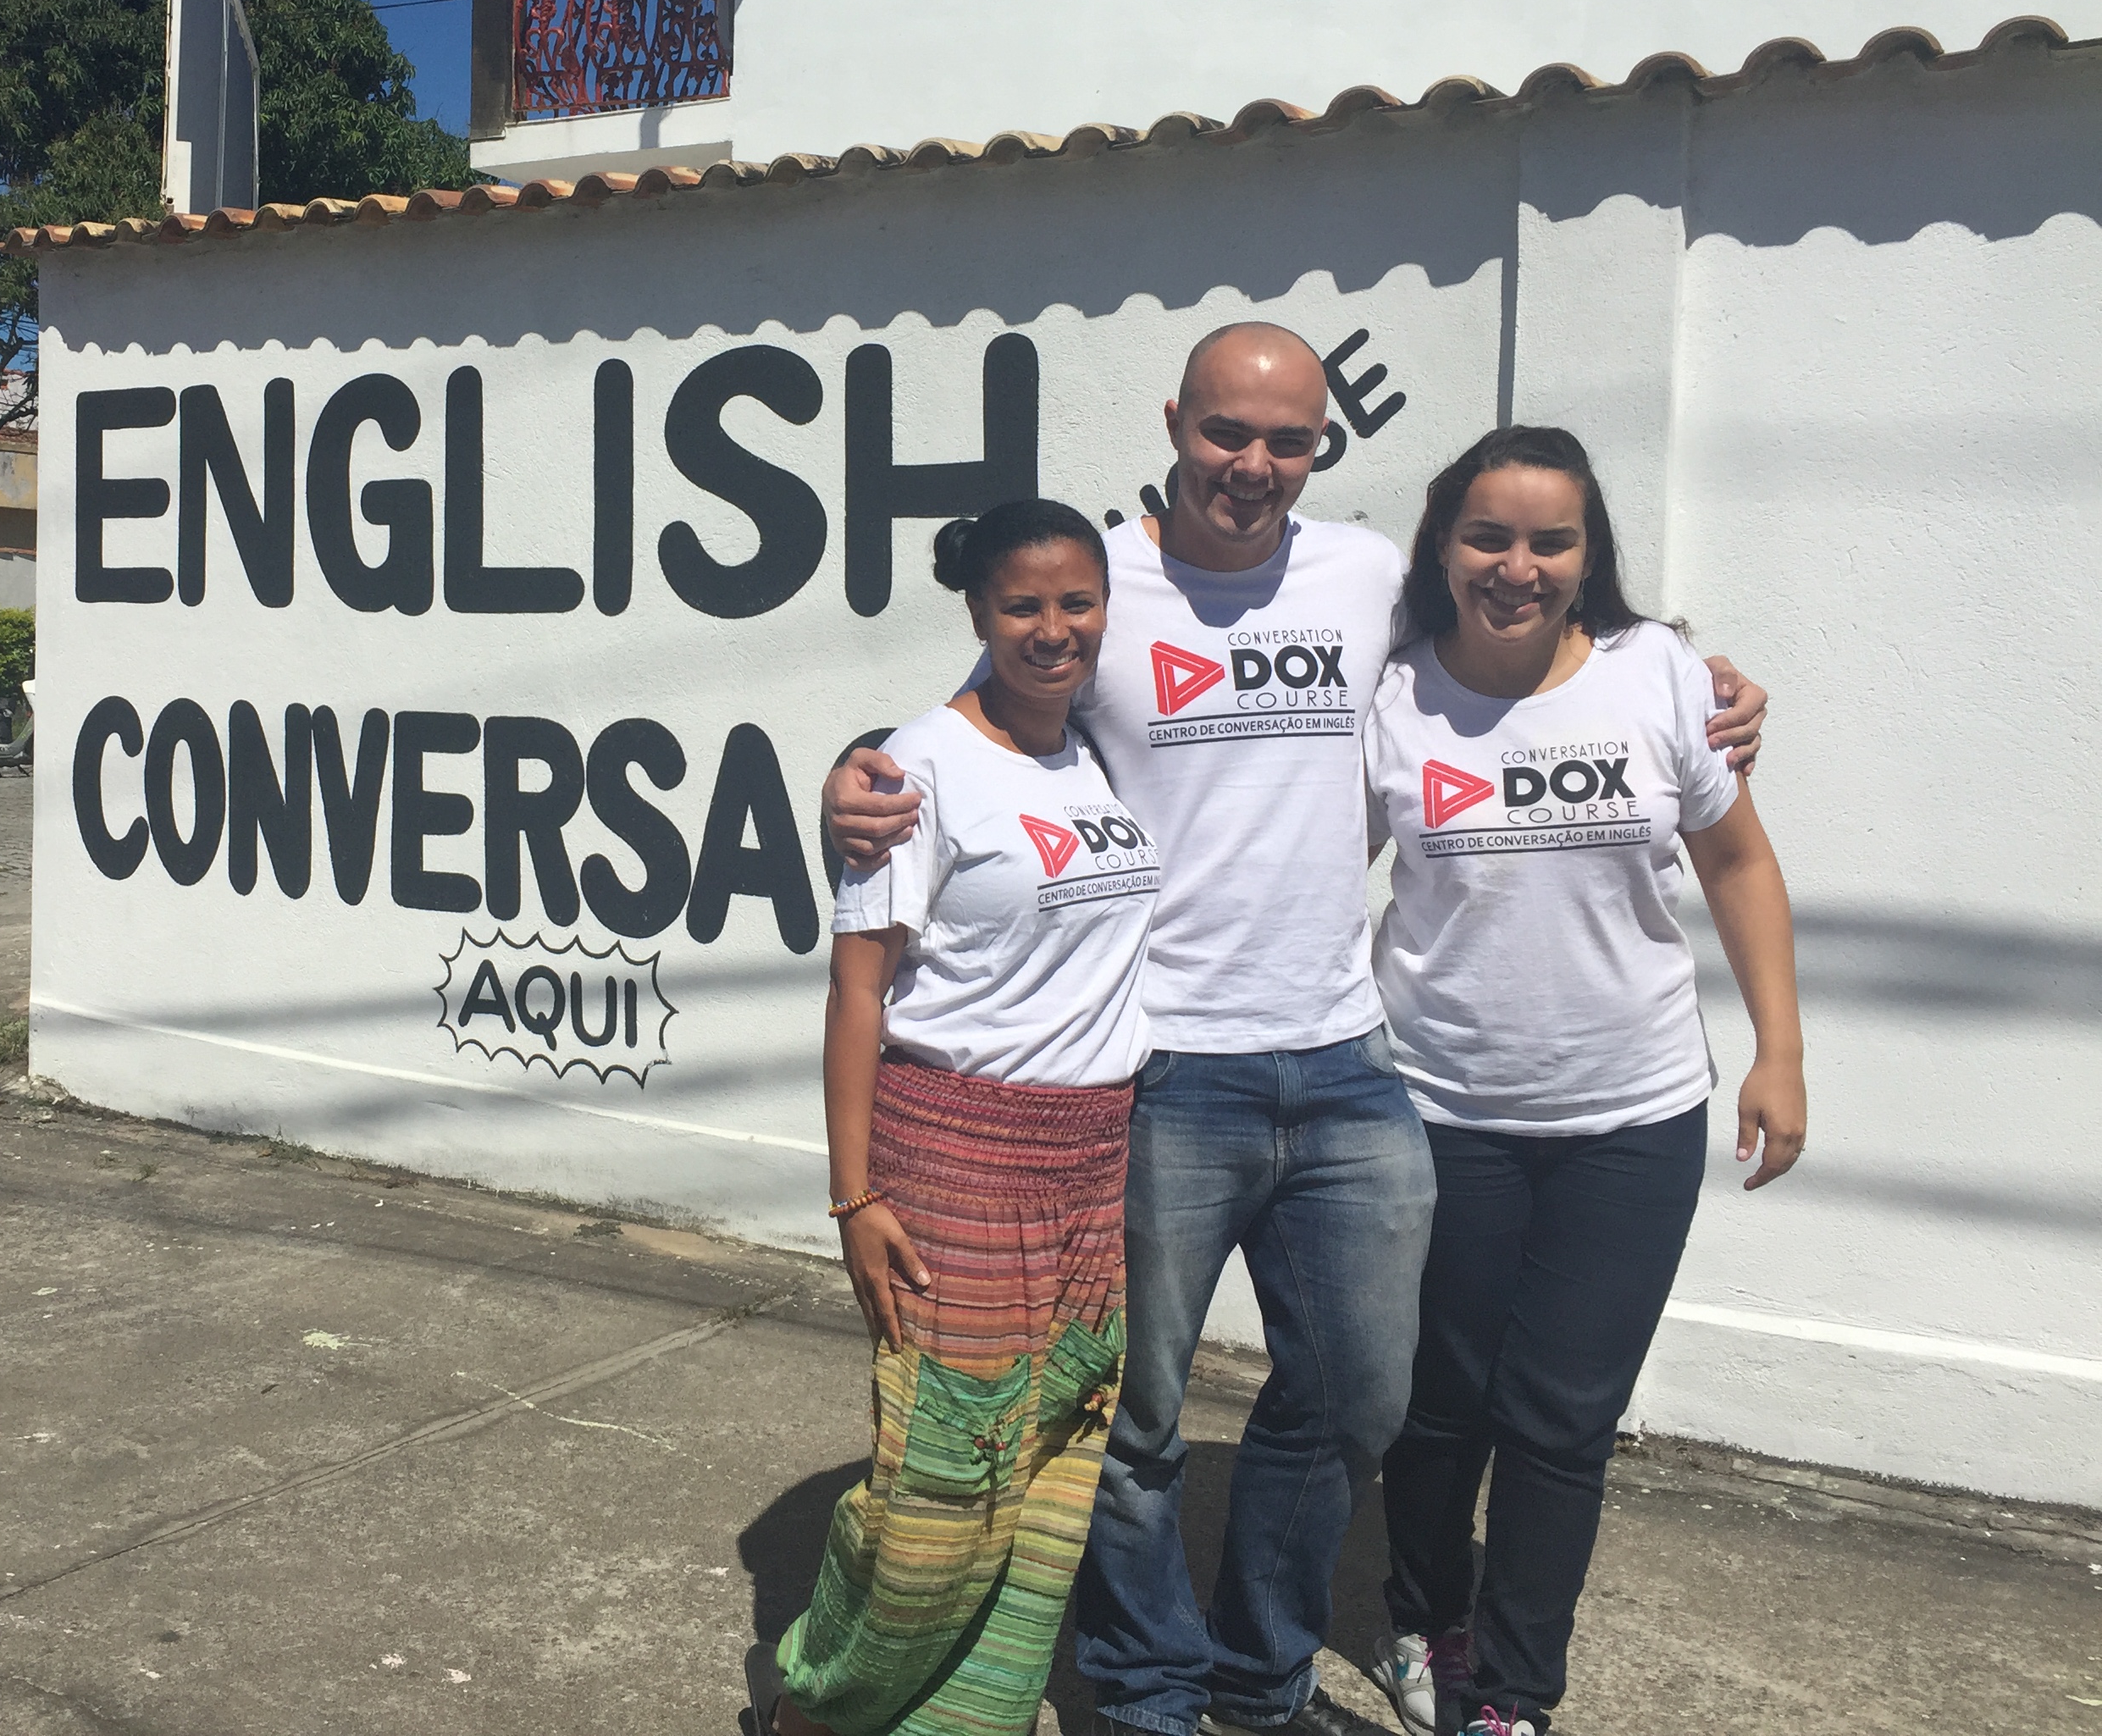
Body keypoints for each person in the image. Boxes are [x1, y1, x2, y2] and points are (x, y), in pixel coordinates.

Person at [822, 324, 1768, 1736]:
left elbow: (1527, 633)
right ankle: (1149, 1691)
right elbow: (986, 714)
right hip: (1162, 1068)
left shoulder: (1366, 574)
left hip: (1347, 1061)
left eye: (1288, 440)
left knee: (1357, 1398)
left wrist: (1702, 679)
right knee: (1134, 1417)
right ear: (1174, 422)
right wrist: (854, 771)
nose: (1252, 464)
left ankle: (1259, 1682)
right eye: (1226, 432)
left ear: (1322, 445)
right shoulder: (1102, 582)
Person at [1359, 426, 1805, 1736]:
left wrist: (1780, 1051)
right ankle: (1426, 1616)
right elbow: (1300, 862)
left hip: (1634, 1118)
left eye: (1551, 541)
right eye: (1489, 536)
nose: (1519, 566)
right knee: (1440, 1407)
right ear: (1444, 545)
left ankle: (1515, 1694)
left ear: (1588, 553)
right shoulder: (1391, 698)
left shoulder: (1657, 673)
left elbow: (1737, 863)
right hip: (1442, 1110)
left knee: (1562, 1421)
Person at [771, 499, 1160, 1736]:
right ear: (979, 616)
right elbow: (858, 993)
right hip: (955, 1159)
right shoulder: (915, 772)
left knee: (1047, 1477)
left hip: (1090, 1166)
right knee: (939, 1487)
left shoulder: (1095, 752)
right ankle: (820, 1708)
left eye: (1077, 603)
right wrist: (854, 1196)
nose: (1054, 629)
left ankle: (963, 1722)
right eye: (1022, 606)